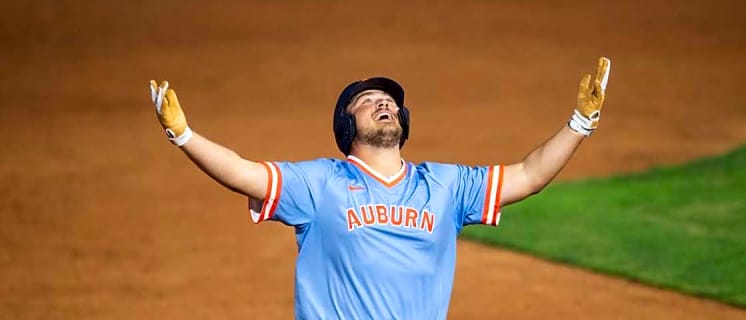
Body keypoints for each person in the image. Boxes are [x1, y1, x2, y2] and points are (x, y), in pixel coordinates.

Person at [148, 57, 611, 319]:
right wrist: (184, 135)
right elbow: (243, 172)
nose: (382, 103)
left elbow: (528, 175)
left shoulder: (446, 186)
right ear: (346, 124)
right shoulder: (320, 184)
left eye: (388, 101)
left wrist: (580, 122)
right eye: (366, 102)